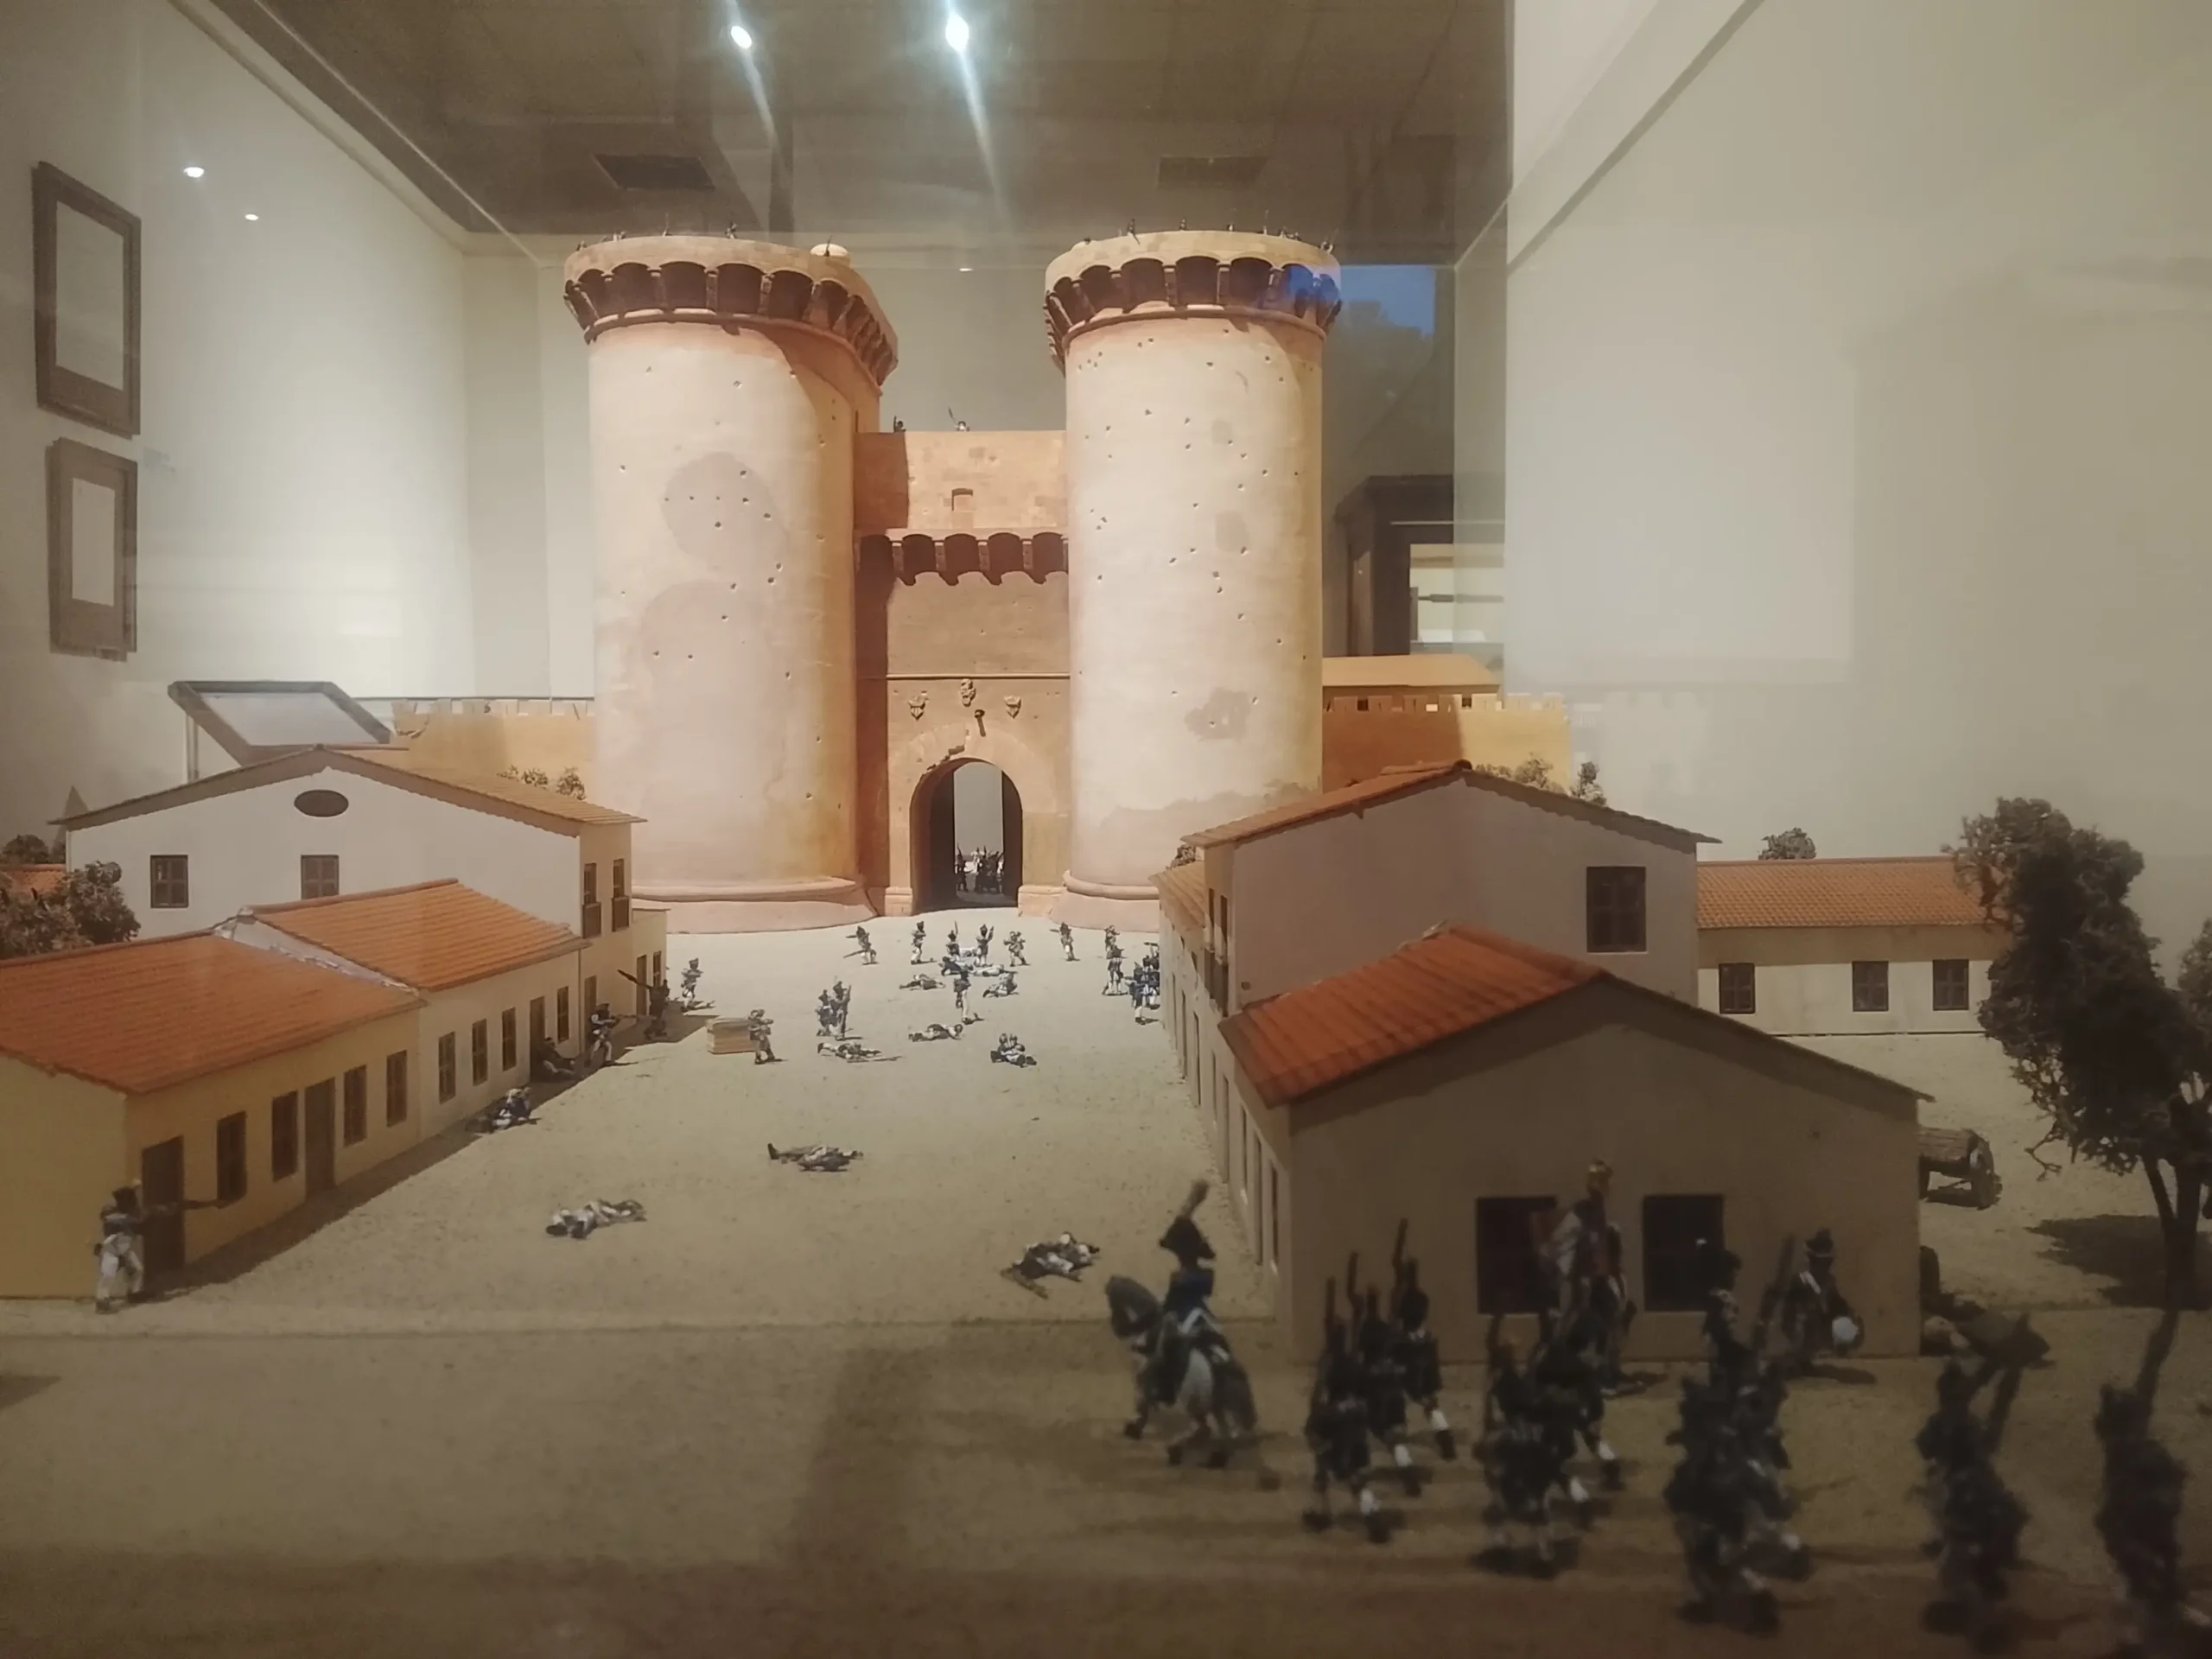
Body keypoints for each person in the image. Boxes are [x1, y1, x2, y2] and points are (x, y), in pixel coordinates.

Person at [92, 1185, 213, 1312]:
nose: (134, 1204)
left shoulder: (130, 1214)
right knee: (108, 1273)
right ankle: (102, 1301)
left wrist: (165, 1209)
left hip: (125, 1249)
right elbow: (117, 1218)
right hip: (111, 1249)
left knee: (138, 1270)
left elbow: (145, 1216)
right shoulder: (114, 1216)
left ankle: (134, 1294)